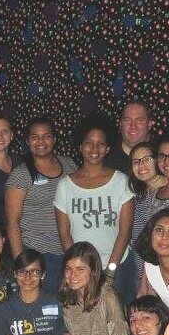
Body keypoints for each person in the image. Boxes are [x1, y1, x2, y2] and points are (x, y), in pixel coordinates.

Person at [55, 115, 135, 303]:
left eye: (100, 144)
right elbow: (64, 233)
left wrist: (111, 271)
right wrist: (79, 268)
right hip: (82, 271)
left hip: (117, 267)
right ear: (80, 147)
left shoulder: (121, 181)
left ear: (107, 148)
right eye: (89, 143)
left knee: (119, 323)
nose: (94, 149)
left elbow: (125, 231)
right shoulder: (65, 185)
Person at [5, 117, 77, 293]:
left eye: (46, 136)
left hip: (70, 250)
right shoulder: (20, 175)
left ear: (54, 139)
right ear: (28, 141)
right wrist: (21, 265)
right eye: (35, 137)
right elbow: (12, 223)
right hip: (38, 254)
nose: (41, 142)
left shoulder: (69, 165)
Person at [125, 141, 167, 295]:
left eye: (146, 159)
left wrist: (146, 280)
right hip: (138, 266)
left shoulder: (166, 193)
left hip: (157, 271)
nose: (141, 165)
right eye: (136, 161)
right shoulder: (140, 194)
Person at [104, 100, 154, 172]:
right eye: (127, 120)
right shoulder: (106, 156)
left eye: (139, 120)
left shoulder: (162, 155)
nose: (133, 126)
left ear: (149, 124)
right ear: (120, 124)